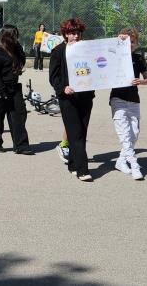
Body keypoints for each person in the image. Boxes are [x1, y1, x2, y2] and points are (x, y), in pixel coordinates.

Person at [49, 17, 95, 181]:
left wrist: (122, 41)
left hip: (86, 96)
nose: (76, 36)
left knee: (82, 131)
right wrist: (63, 88)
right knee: (75, 133)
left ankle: (73, 164)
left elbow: (106, 54)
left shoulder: (87, 49)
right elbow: (53, 77)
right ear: (66, 34)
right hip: (67, 98)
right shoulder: (58, 51)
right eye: (72, 33)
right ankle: (83, 170)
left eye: (78, 33)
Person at [110, 28, 147, 180]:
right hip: (117, 99)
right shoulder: (116, 56)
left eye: (132, 42)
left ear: (136, 43)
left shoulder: (139, 58)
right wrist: (117, 41)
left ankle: (120, 161)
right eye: (127, 42)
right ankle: (134, 165)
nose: (130, 44)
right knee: (125, 135)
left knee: (134, 133)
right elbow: (104, 53)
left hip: (134, 100)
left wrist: (141, 81)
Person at [0, 24, 33, 155]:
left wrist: (18, 50)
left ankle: (21, 145)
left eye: (16, 35)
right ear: (6, 37)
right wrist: (2, 92)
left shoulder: (16, 49)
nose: (16, 37)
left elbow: (22, 60)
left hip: (14, 88)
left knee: (19, 115)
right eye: (13, 35)